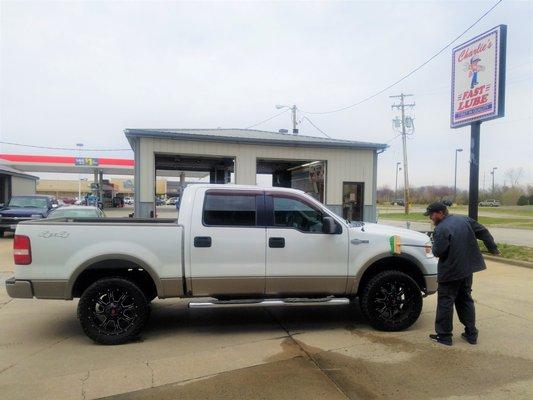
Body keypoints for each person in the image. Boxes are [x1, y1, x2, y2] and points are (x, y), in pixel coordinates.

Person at [424, 202, 500, 346]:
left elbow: (438, 252)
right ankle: (471, 334)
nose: (431, 218)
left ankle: (444, 336)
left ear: (440, 213)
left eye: (432, 215)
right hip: (467, 269)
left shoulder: (441, 228)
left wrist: (431, 247)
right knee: (465, 299)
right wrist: (493, 249)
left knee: (446, 302)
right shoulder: (464, 219)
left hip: (451, 271)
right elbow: (483, 231)